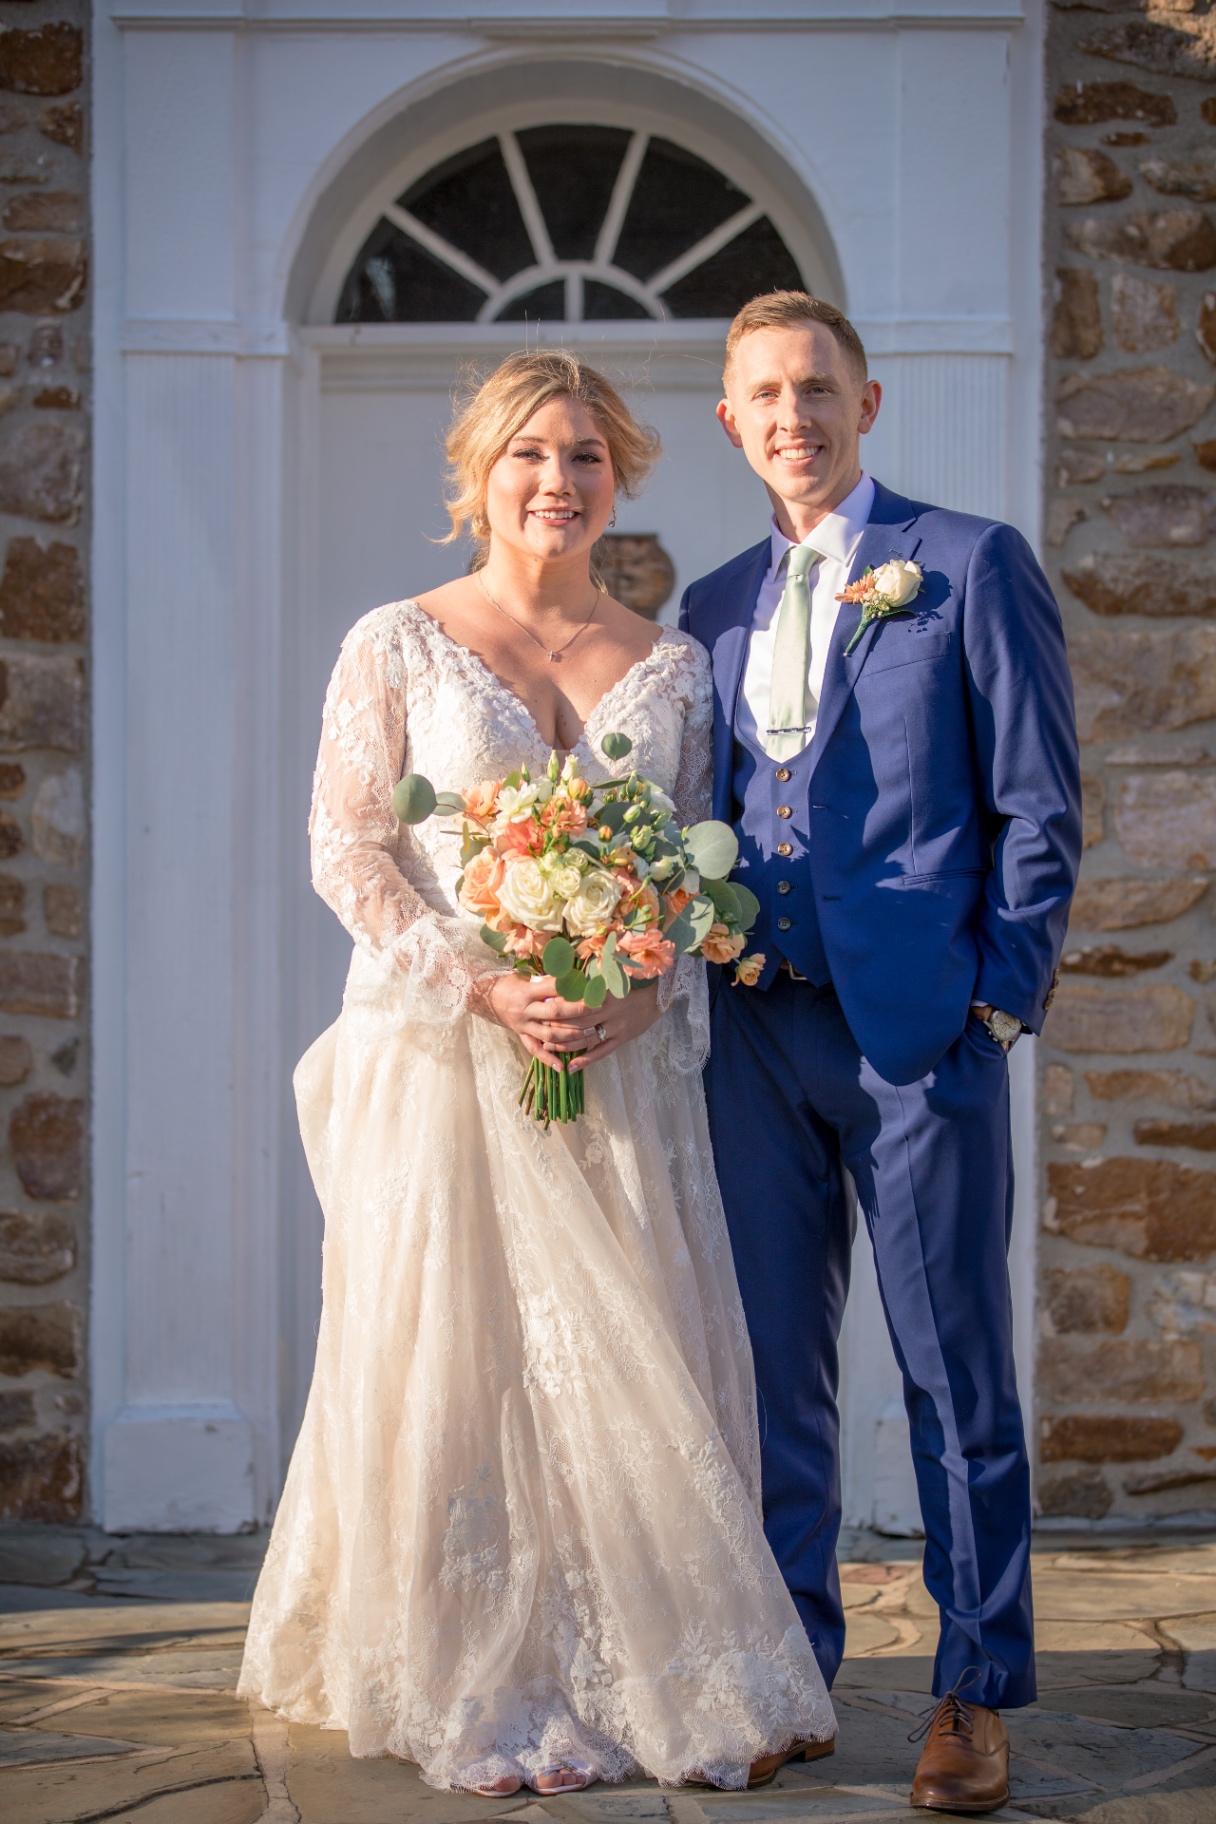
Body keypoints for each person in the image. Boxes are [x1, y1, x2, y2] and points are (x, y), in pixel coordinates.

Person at [238, 351, 835, 1796]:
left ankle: (641, 1659)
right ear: (477, 473)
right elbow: (348, 847)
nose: (555, 483)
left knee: (622, 1358)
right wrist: (484, 978)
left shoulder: (675, 663)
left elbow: (705, 871)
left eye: (583, 456)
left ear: (619, 472)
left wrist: (640, 984)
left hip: (616, 1073)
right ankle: (471, 1665)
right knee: (457, 1355)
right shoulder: (397, 640)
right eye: (528, 455)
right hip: (445, 1060)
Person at [680, 293, 1081, 1816]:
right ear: (733, 421)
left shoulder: (969, 566)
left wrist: (999, 1001)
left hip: (920, 1040)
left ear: (870, 401)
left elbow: (1040, 806)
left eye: (819, 389)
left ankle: (975, 1692)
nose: (795, 416)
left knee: (950, 1372)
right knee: (776, 1375)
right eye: (767, 395)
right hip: (754, 1038)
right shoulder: (710, 606)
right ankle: (791, 1672)